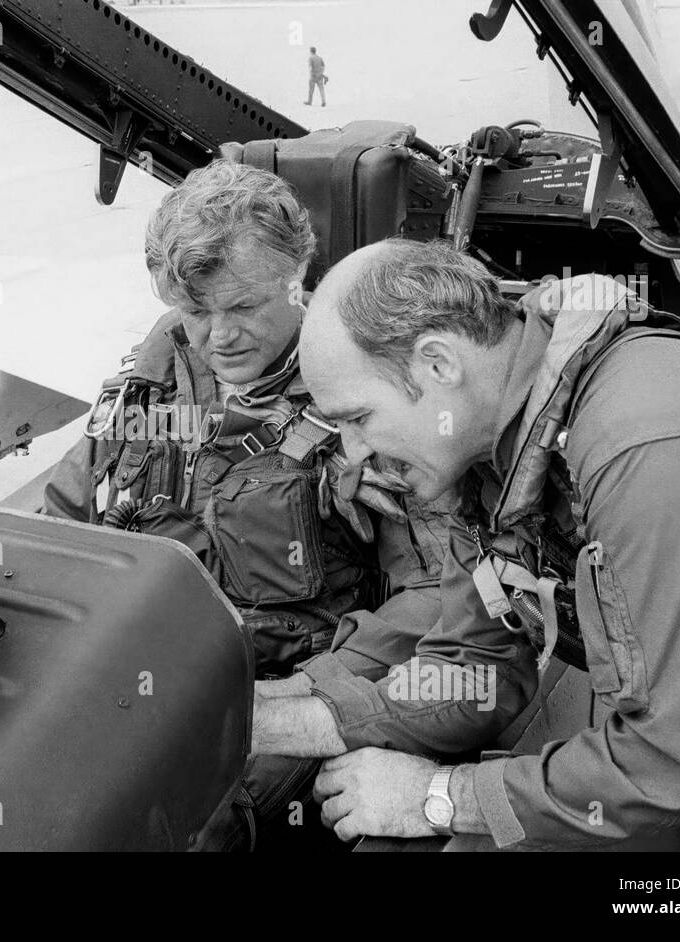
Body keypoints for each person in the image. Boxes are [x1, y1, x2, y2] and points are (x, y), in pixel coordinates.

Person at [269, 236, 680, 850]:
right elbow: (476, 668)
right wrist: (282, 722)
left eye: (358, 419)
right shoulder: (499, 454)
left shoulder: (643, 444)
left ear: (438, 364)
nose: (353, 458)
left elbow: (675, 760)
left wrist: (439, 797)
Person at [43, 161, 457, 849]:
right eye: (196, 311)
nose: (219, 336)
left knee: (180, 825)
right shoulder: (153, 381)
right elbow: (65, 517)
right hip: (144, 668)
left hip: (289, 687)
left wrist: (308, 699)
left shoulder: (366, 392)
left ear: (300, 275)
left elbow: (434, 596)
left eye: (244, 308)